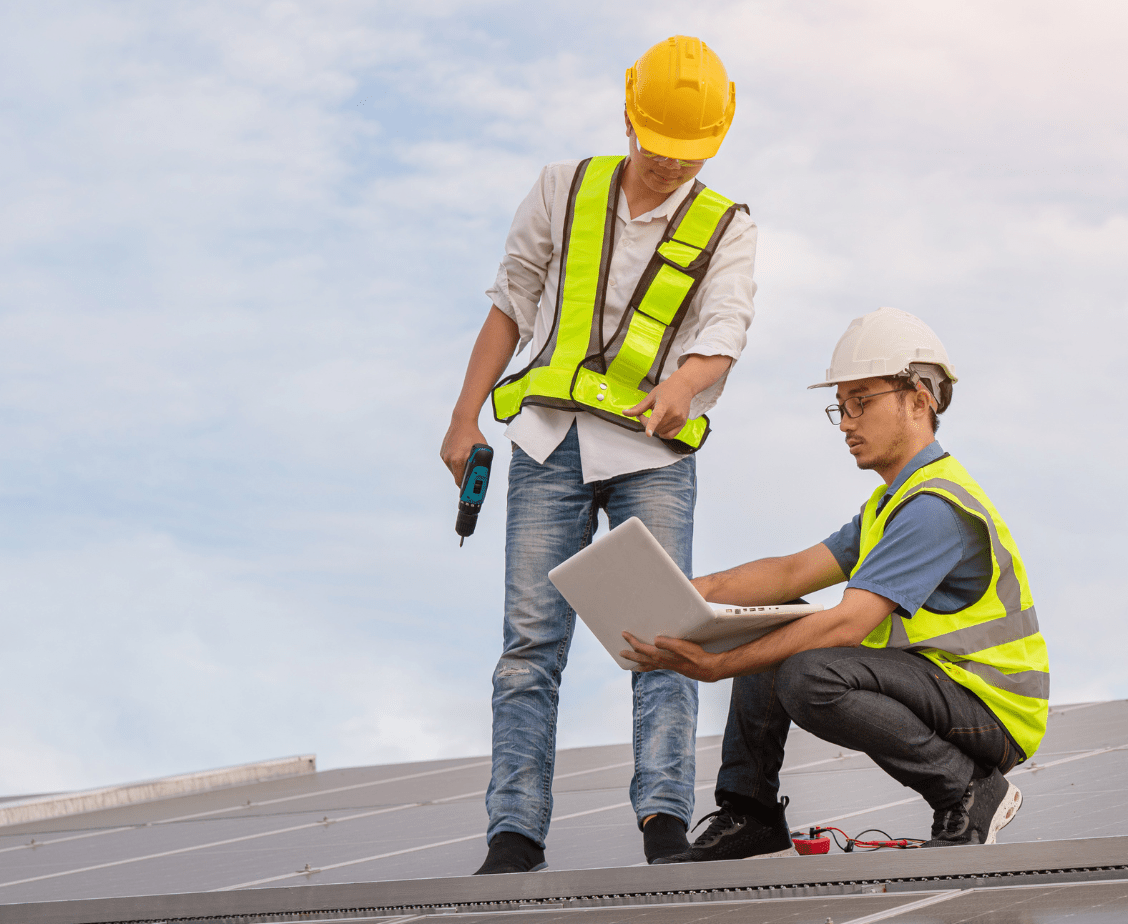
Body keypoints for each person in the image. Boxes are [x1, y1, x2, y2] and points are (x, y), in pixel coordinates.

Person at [440, 36, 757, 874]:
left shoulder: (726, 226)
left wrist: (685, 382)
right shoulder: (561, 190)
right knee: (529, 643)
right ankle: (513, 834)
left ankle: (664, 823)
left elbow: (724, 331)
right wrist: (463, 417)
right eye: (657, 146)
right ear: (629, 116)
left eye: (687, 154)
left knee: (664, 639)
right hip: (548, 440)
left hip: (652, 454)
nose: (668, 165)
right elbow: (510, 303)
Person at [621, 307, 1050, 862]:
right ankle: (751, 812)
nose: (846, 421)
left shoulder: (933, 508)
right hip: (942, 690)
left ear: (920, 400)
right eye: (841, 406)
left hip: (990, 710)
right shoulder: (890, 505)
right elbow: (792, 573)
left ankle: (970, 789)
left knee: (809, 673)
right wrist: (684, 590)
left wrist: (720, 665)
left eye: (862, 401)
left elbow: (850, 622)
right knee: (783, 615)